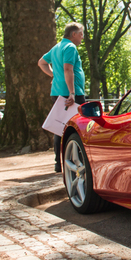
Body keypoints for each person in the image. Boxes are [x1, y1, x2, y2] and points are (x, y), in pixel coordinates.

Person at [38, 22, 86, 173]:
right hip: (72, 94)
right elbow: (68, 68)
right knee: (78, 126)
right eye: (81, 34)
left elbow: (41, 63)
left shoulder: (57, 47)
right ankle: (77, 159)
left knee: (60, 128)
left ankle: (58, 163)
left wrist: (54, 75)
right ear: (73, 34)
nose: (82, 37)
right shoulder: (70, 47)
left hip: (57, 92)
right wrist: (72, 93)